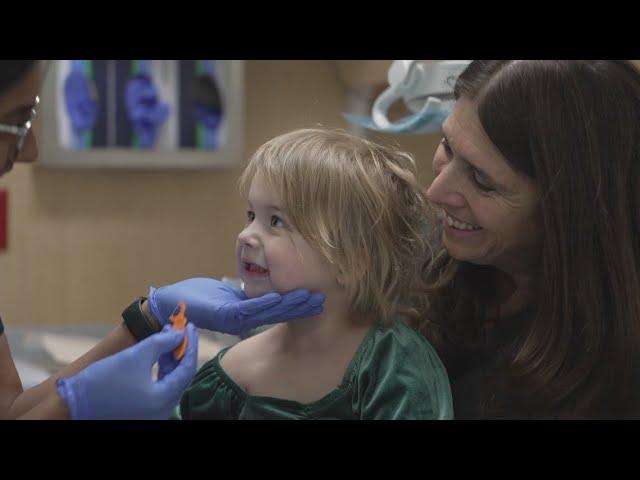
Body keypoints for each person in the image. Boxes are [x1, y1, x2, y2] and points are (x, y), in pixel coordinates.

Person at [0, 60, 324, 420]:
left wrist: (146, 318)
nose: (29, 149)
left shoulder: (383, 369)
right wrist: (74, 403)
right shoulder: (231, 376)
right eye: (17, 120)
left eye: (276, 220)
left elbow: (10, 410)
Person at [172, 128, 453, 419]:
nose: (246, 235)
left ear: (351, 260)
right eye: (251, 215)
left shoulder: (394, 368)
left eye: (276, 221)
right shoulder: (229, 377)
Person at [417, 60, 640, 418]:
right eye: (447, 146)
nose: (435, 192)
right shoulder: (422, 261)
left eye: (481, 180)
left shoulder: (618, 383)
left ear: (568, 213)